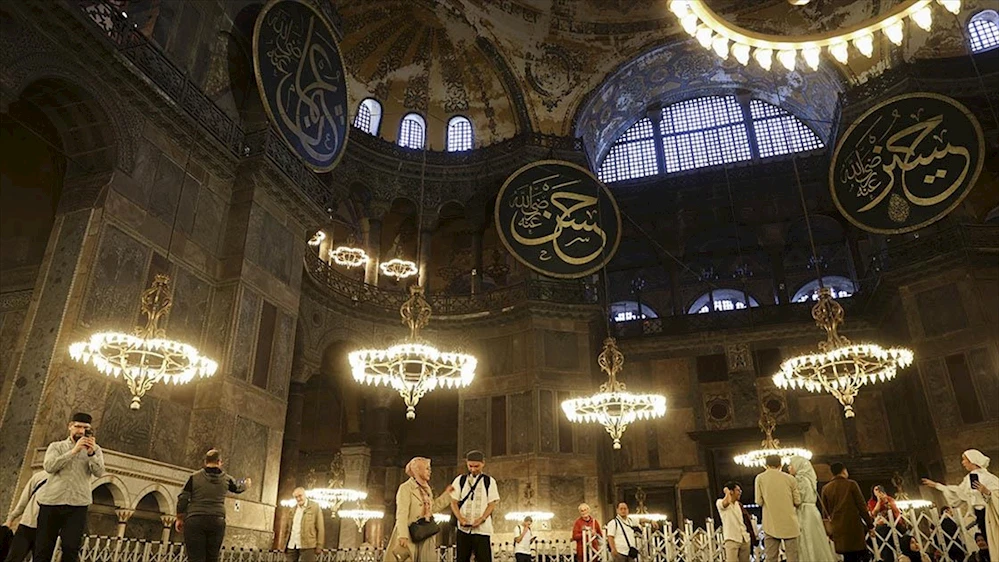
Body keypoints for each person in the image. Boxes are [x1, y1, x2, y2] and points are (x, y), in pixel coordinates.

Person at [33, 412, 104, 562]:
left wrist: (91, 454)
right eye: (78, 426)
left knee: (71, 548)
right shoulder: (56, 446)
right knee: (43, 548)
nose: (81, 431)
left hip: (78, 504)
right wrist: (73, 451)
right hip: (51, 502)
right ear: (70, 426)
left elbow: (99, 473)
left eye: (85, 428)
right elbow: (49, 467)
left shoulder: (95, 450)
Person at [176, 449, 251, 562]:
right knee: (212, 558)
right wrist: (246, 484)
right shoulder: (227, 479)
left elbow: (183, 498)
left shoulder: (194, 477)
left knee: (195, 558)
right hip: (217, 521)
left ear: (205, 461)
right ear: (219, 462)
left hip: (195, 520)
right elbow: (238, 488)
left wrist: (179, 518)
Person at [922, 449, 999, 543]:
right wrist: (936, 485)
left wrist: (986, 491)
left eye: (965, 459)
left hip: (991, 512)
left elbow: (997, 493)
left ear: (972, 460)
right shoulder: (968, 479)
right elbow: (958, 492)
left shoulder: (989, 477)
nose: (963, 463)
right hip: (979, 514)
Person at [385, 457, 453, 562]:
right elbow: (402, 513)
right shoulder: (406, 488)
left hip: (425, 531)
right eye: (427, 468)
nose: (430, 471)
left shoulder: (426, 489)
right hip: (410, 533)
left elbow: (432, 508)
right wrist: (402, 535)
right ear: (417, 470)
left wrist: (448, 495)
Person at [450, 450, 500, 562]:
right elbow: (453, 502)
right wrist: (460, 518)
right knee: (462, 559)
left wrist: (481, 519)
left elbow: (492, 504)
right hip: (463, 530)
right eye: (470, 466)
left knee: (484, 559)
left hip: (482, 530)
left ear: (483, 463)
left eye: (476, 466)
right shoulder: (460, 480)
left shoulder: (489, 481)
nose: (473, 469)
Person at [787, 456, 838, 562]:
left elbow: (798, 499)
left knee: (806, 538)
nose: (789, 468)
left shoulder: (799, 480)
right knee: (816, 538)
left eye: (791, 465)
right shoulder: (809, 479)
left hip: (804, 511)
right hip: (813, 511)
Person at [821, 462, 874, 562]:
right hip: (854, 526)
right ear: (844, 471)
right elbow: (861, 506)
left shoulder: (826, 488)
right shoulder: (851, 484)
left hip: (838, 528)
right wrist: (870, 525)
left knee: (848, 557)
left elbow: (825, 512)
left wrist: (829, 531)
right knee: (860, 555)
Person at [755, 454, 801, 562]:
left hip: (770, 524)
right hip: (790, 524)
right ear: (781, 464)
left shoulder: (760, 478)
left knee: (771, 558)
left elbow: (759, 501)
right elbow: (797, 501)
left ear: (766, 465)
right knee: (793, 558)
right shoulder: (790, 479)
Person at [3, 470, 48, 562]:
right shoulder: (39, 476)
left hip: (46, 530)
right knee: (14, 558)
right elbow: (23, 500)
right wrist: (11, 518)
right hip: (28, 524)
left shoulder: (67, 482)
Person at [280, 487, 324, 562]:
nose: (298, 498)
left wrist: (319, 545)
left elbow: (320, 528)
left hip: (308, 545)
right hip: (292, 544)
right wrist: (283, 544)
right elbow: (287, 528)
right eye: (296, 497)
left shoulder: (314, 507)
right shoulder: (292, 509)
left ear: (305, 495)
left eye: (300, 496)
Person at [716, 482, 753, 562]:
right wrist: (727, 492)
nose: (740, 492)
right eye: (738, 490)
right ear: (731, 491)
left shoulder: (738, 505)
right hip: (732, 538)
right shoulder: (720, 502)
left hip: (744, 538)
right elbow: (727, 502)